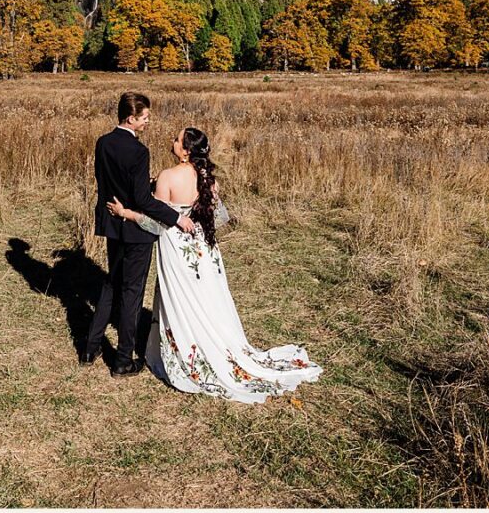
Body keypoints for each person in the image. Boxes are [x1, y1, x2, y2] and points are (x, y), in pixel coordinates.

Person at [106, 126, 322, 403]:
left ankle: (186, 350)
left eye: (177, 139)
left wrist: (127, 213)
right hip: (205, 249)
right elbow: (220, 217)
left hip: (177, 247)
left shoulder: (168, 176)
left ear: (185, 151)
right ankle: (212, 344)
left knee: (181, 298)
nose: (172, 141)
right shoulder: (209, 179)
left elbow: (156, 223)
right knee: (207, 298)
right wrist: (193, 220)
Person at [83, 92, 196, 375]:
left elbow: (105, 180)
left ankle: (90, 347)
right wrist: (176, 217)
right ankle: (122, 359)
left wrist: (138, 187)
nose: (148, 122)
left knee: (111, 285)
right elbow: (144, 202)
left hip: (113, 223)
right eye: (145, 118)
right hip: (136, 229)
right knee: (132, 293)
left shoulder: (104, 143)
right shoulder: (138, 152)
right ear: (131, 119)